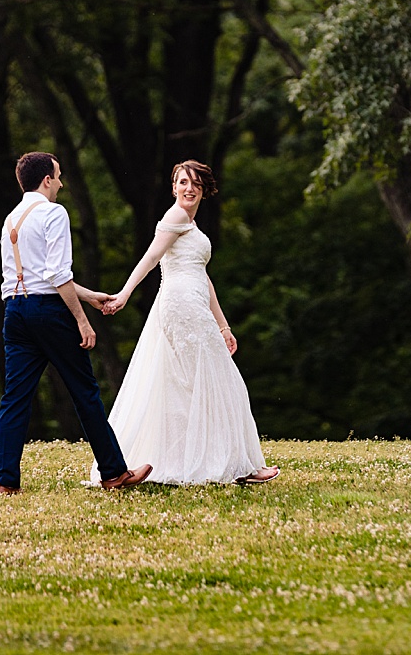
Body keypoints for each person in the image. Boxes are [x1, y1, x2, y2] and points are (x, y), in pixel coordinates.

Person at [90, 160, 279, 486]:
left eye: (195, 184)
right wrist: (124, 293)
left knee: (193, 384)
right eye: (183, 182)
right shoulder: (175, 216)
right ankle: (241, 466)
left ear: (203, 190)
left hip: (194, 304)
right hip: (180, 306)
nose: (189, 188)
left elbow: (203, 277)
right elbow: (150, 257)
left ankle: (216, 463)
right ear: (174, 187)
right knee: (221, 380)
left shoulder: (191, 226)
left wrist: (223, 325)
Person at [0, 151, 152, 494]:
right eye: (59, 176)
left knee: (15, 398)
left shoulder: (10, 219)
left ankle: (6, 483)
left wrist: (89, 295)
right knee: (84, 392)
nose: (62, 183)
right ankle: (114, 473)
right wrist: (82, 320)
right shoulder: (53, 213)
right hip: (50, 314)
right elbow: (56, 274)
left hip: (15, 313)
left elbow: (41, 276)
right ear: (46, 179)